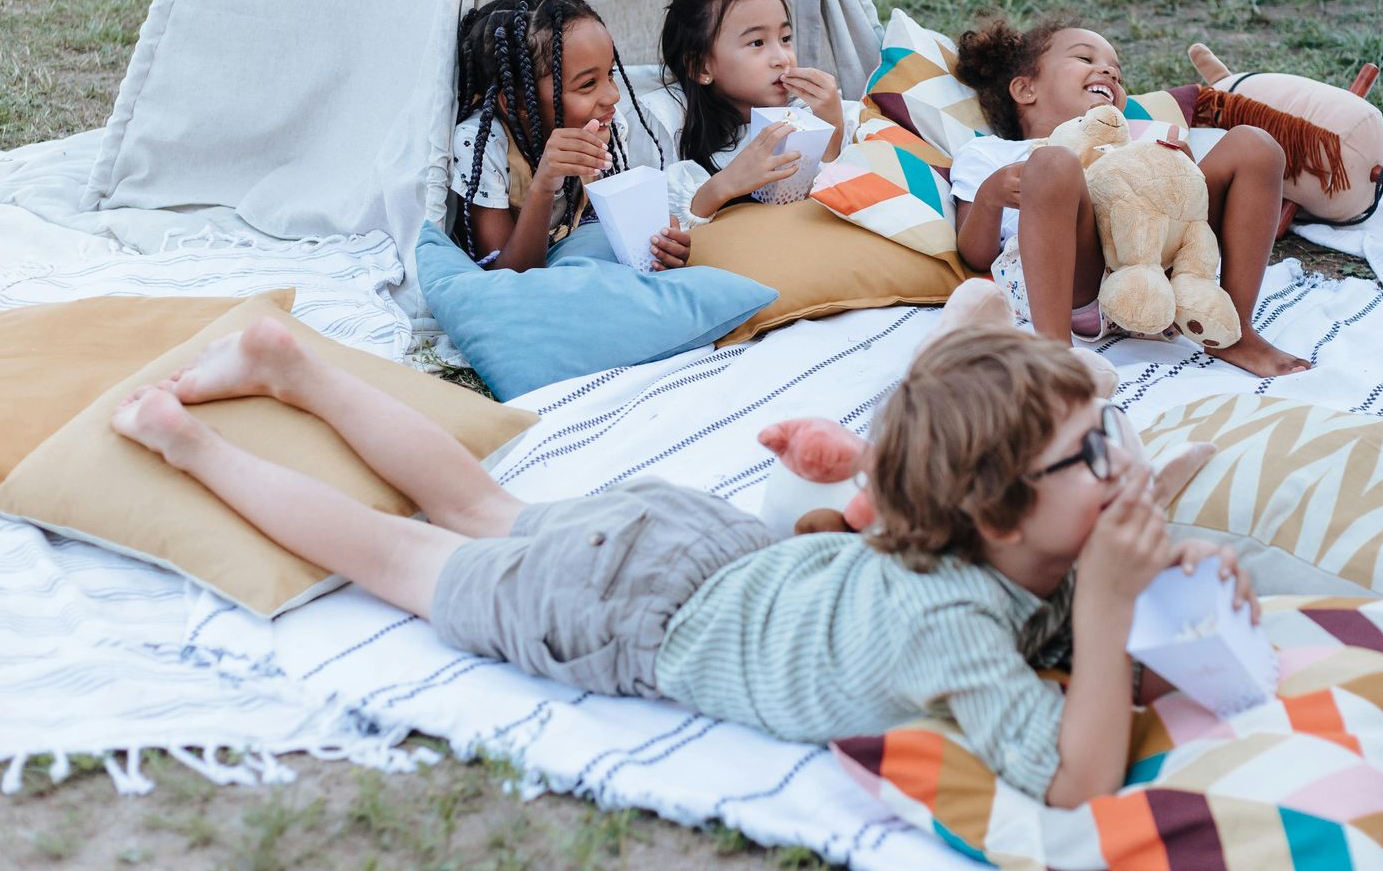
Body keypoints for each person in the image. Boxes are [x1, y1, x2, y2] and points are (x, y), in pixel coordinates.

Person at [109, 319, 1255, 808]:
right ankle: (189, 439)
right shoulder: (948, 620)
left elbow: (1075, 611)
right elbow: (1074, 781)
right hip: (633, 614)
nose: (1125, 458)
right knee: (403, 552)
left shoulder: (1015, 553)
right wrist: (1110, 606)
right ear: (998, 517)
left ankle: (289, 365)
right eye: (1092, 449)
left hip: (705, 544)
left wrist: (1171, 575)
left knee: (479, 501)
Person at [950, 16, 1311, 378]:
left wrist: (1176, 176)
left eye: (1116, 72)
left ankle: (1234, 331)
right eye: (1085, 59)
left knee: (1256, 145)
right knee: (1053, 163)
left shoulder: (1131, 143)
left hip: (1162, 277)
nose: (1108, 71)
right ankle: (1055, 354)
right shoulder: (990, 154)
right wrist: (990, 195)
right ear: (1026, 90)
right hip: (1079, 285)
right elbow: (974, 254)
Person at [450, 0, 687, 273]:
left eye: (610, 74)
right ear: (523, 101)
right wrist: (545, 182)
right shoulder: (482, 144)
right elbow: (508, 275)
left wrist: (661, 244)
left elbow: (617, 230)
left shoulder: (607, 128)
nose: (612, 96)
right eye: (588, 84)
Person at [628, 0, 858, 228]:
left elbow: (831, 201)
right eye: (757, 42)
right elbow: (647, 224)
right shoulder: (663, 123)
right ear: (701, 68)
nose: (782, 58)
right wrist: (727, 183)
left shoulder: (804, 111)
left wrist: (832, 132)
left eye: (785, 39)